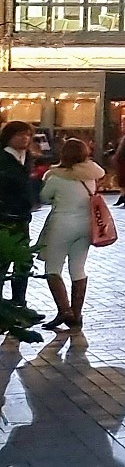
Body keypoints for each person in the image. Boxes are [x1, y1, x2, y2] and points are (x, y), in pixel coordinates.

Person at [36, 139, 105, 331]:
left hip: (61, 225)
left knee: (53, 268)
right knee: (78, 268)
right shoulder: (90, 175)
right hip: (85, 226)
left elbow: (44, 197)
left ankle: (64, 311)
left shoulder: (56, 177)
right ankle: (76, 315)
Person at [0, 121, 39, 325]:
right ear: (9, 137)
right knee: (3, 263)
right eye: (19, 135)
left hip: (23, 218)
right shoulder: (3, 159)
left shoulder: (27, 158)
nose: (24, 139)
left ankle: (19, 304)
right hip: (5, 219)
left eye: (27, 135)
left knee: (23, 262)